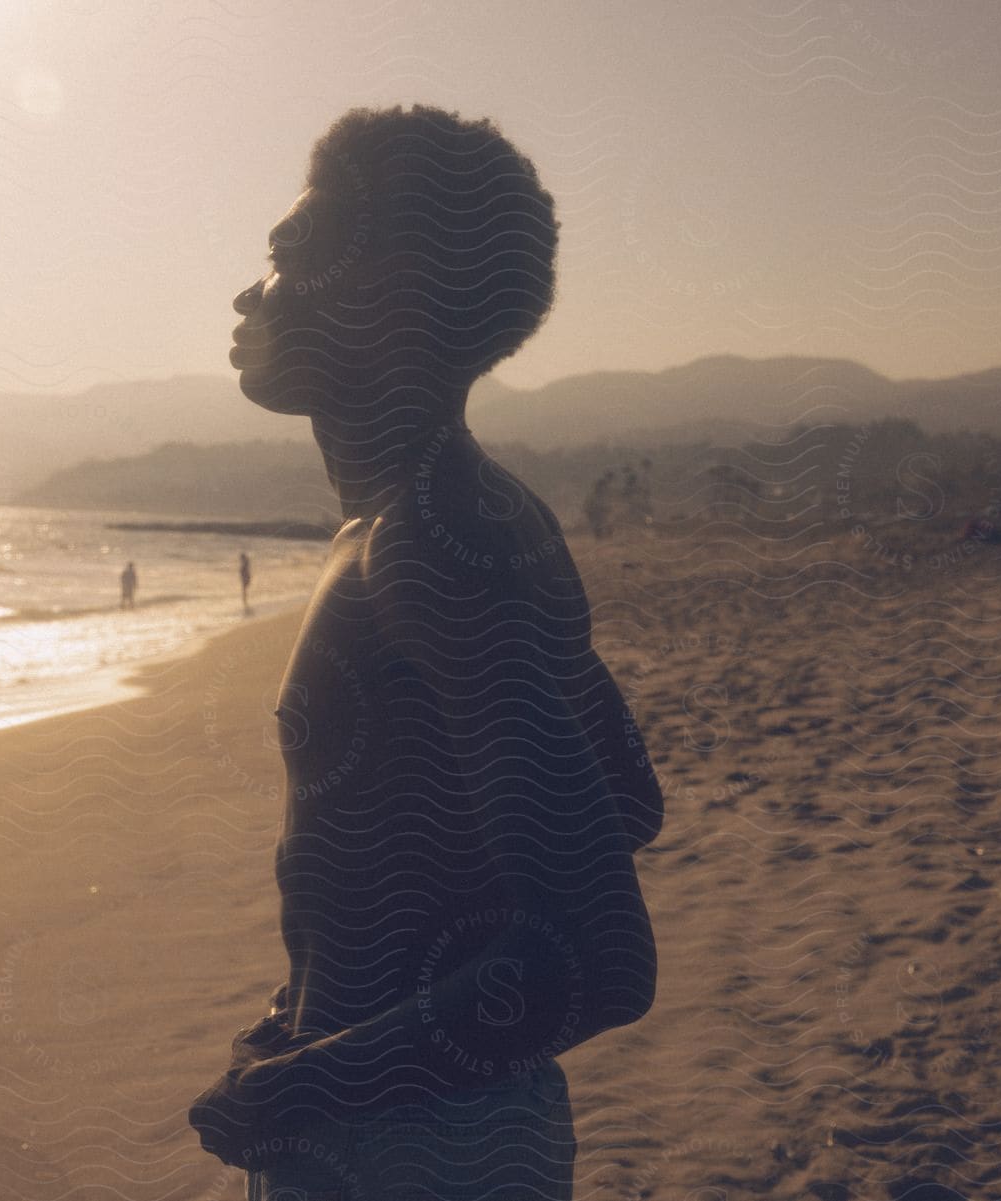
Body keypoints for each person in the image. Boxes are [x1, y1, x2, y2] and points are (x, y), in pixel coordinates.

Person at [190, 104, 662, 1200]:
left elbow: (601, 958)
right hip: (423, 1114)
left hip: (420, 1145)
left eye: (289, 253)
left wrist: (310, 1086)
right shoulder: (462, 518)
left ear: (387, 290)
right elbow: (627, 799)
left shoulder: (425, 550)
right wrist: (299, 1016)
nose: (250, 291)